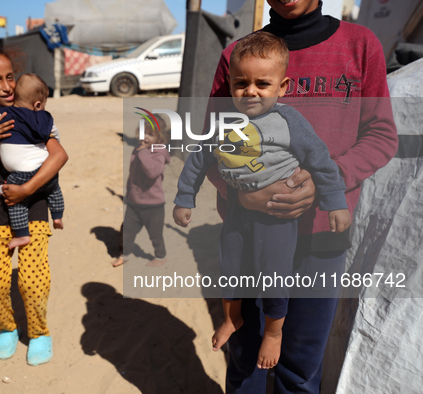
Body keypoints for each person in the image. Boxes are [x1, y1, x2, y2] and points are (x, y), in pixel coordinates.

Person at [204, 1, 398, 392]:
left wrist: (329, 179)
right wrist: (245, 196)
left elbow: (381, 135)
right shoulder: (237, 55)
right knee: (247, 361)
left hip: (321, 238)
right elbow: (210, 140)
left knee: (300, 367)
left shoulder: (360, 44)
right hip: (251, 237)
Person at [173, 31, 351, 370]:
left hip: (277, 219)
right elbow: (198, 159)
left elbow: (321, 161)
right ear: (230, 84)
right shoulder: (222, 122)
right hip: (238, 215)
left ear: (282, 87)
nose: (250, 91)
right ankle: (231, 318)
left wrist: (335, 202)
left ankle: (273, 331)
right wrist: (185, 198)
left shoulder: (288, 122)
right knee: (230, 269)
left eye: (262, 84)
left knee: (274, 277)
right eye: (241, 83)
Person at [0, 45, 68, 366]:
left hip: (32, 206)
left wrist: (27, 189)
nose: (6, 86)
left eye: (9, 77)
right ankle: (7, 328)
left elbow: (58, 155)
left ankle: (38, 333)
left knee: (33, 282)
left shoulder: (31, 114)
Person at [0, 73, 64, 250]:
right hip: (44, 171)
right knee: (54, 188)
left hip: (20, 176)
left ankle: (22, 234)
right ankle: (57, 215)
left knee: (16, 200)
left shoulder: (3, 112)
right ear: (37, 104)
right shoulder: (45, 118)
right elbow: (56, 137)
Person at [112, 116, 171, 267]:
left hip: (153, 205)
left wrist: (143, 152)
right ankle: (124, 254)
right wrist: (129, 192)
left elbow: (152, 172)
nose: (144, 137)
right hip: (134, 202)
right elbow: (133, 173)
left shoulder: (159, 152)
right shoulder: (137, 150)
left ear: (160, 137)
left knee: (155, 235)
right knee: (127, 231)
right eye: (143, 132)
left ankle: (160, 256)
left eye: (150, 134)